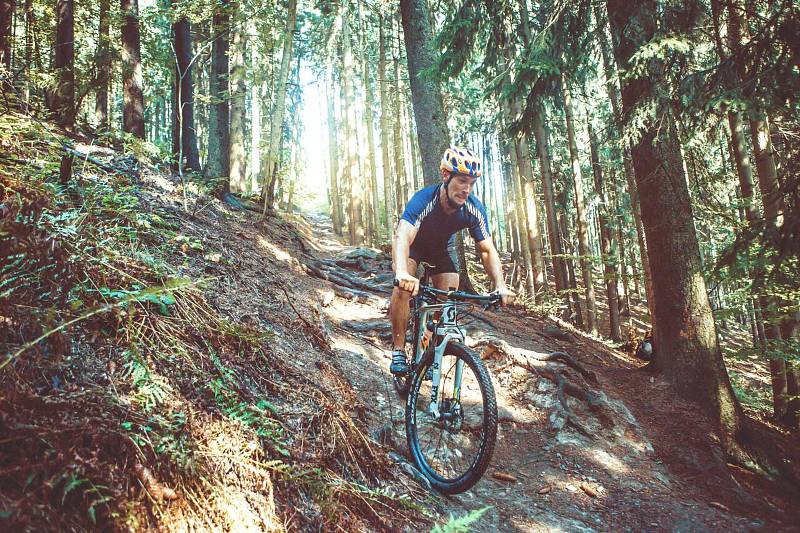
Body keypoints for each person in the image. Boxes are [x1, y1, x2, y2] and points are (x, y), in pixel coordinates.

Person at [389, 146, 515, 375]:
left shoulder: (473, 208)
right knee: (402, 287)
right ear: (446, 176)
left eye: (471, 184)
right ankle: (398, 350)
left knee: (448, 300)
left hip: (441, 250)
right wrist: (402, 273)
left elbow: (487, 250)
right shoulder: (425, 199)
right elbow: (403, 236)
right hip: (413, 246)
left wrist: (500, 285)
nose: (466, 189)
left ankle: (427, 343)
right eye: (462, 181)